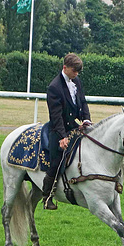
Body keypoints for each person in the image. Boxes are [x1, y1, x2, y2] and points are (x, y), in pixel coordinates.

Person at [42, 53, 92, 210]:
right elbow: (56, 116)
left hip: (74, 127)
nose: (76, 74)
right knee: (56, 160)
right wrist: (63, 137)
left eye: (78, 71)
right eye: (74, 71)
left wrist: (86, 119)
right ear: (65, 68)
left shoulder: (76, 81)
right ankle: (47, 196)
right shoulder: (54, 87)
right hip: (58, 130)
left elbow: (82, 102)